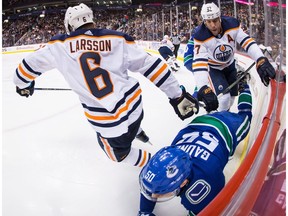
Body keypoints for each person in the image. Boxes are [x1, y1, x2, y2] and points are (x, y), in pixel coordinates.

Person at [13, 3, 199, 168]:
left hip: (109, 126)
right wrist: (178, 96)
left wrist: (23, 84)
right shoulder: (117, 38)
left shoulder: (59, 45)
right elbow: (152, 66)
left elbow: (24, 69)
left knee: (118, 155)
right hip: (135, 110)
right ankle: (137, 129)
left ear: (69, 25)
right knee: (129, 114)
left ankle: (159, 163)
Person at [138, 78, 253, 215]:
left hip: (225, 128)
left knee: (245, 118)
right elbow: (150, 186)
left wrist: (144, 211)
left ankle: (244, 85)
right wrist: (144, 211)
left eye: (159, 193)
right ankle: (242, 88)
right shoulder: (171, 159)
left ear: (183, 183)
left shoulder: (205, 181)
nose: (154, 196)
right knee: (243, 116)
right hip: (198, 125)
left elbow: (206, 211)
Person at [192, 2, 275, 112]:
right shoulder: (200, 35)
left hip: (230, 65)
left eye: (215, 20)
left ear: (220, 18)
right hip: (215, 69)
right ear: (204, 21)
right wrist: (202, 86)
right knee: (224, 99)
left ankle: (224, 113)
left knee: (231, 98)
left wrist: (260, 59)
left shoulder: (232, 25)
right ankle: (220, 119)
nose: (213, 25)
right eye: (209, 22)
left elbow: (246, 41)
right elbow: (199, 61)